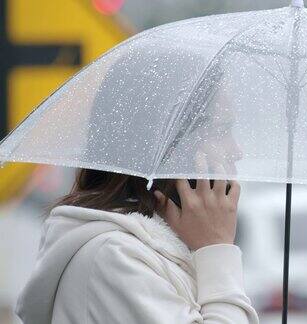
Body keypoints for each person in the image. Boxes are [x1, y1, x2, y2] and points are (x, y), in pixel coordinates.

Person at [15, 39, 257, 323]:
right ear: (166, 144)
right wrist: (217, 249)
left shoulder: (151, 248)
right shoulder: (114, 257)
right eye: (221, 130)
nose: (236, 151)